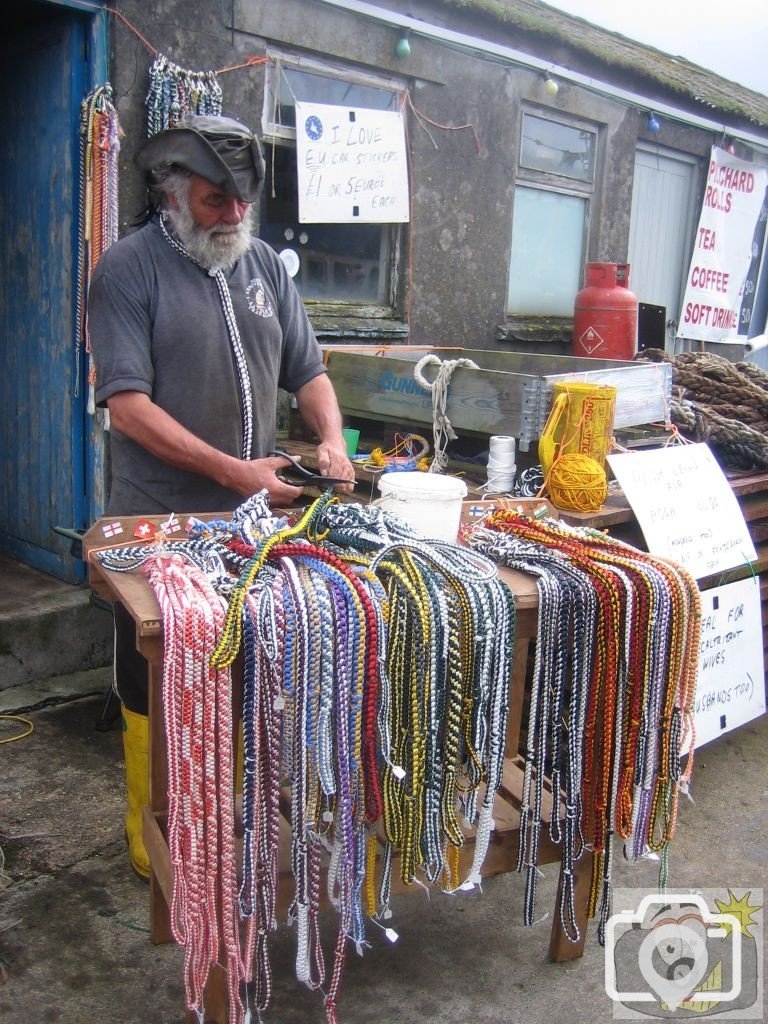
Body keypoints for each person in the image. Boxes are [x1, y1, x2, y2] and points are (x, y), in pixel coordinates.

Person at [88, 113, 355, 878]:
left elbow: (310, 373)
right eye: (215, 200)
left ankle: (223, 812)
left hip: (250, 520)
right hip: (156, 522)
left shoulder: (264, 265)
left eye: (242, 200)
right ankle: (153, 829)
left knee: (240, 665)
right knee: (156, 671)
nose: (233, 215)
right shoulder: (128, 271)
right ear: (172, 194)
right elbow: (128, 406)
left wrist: (330, 440)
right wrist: (235, 472)